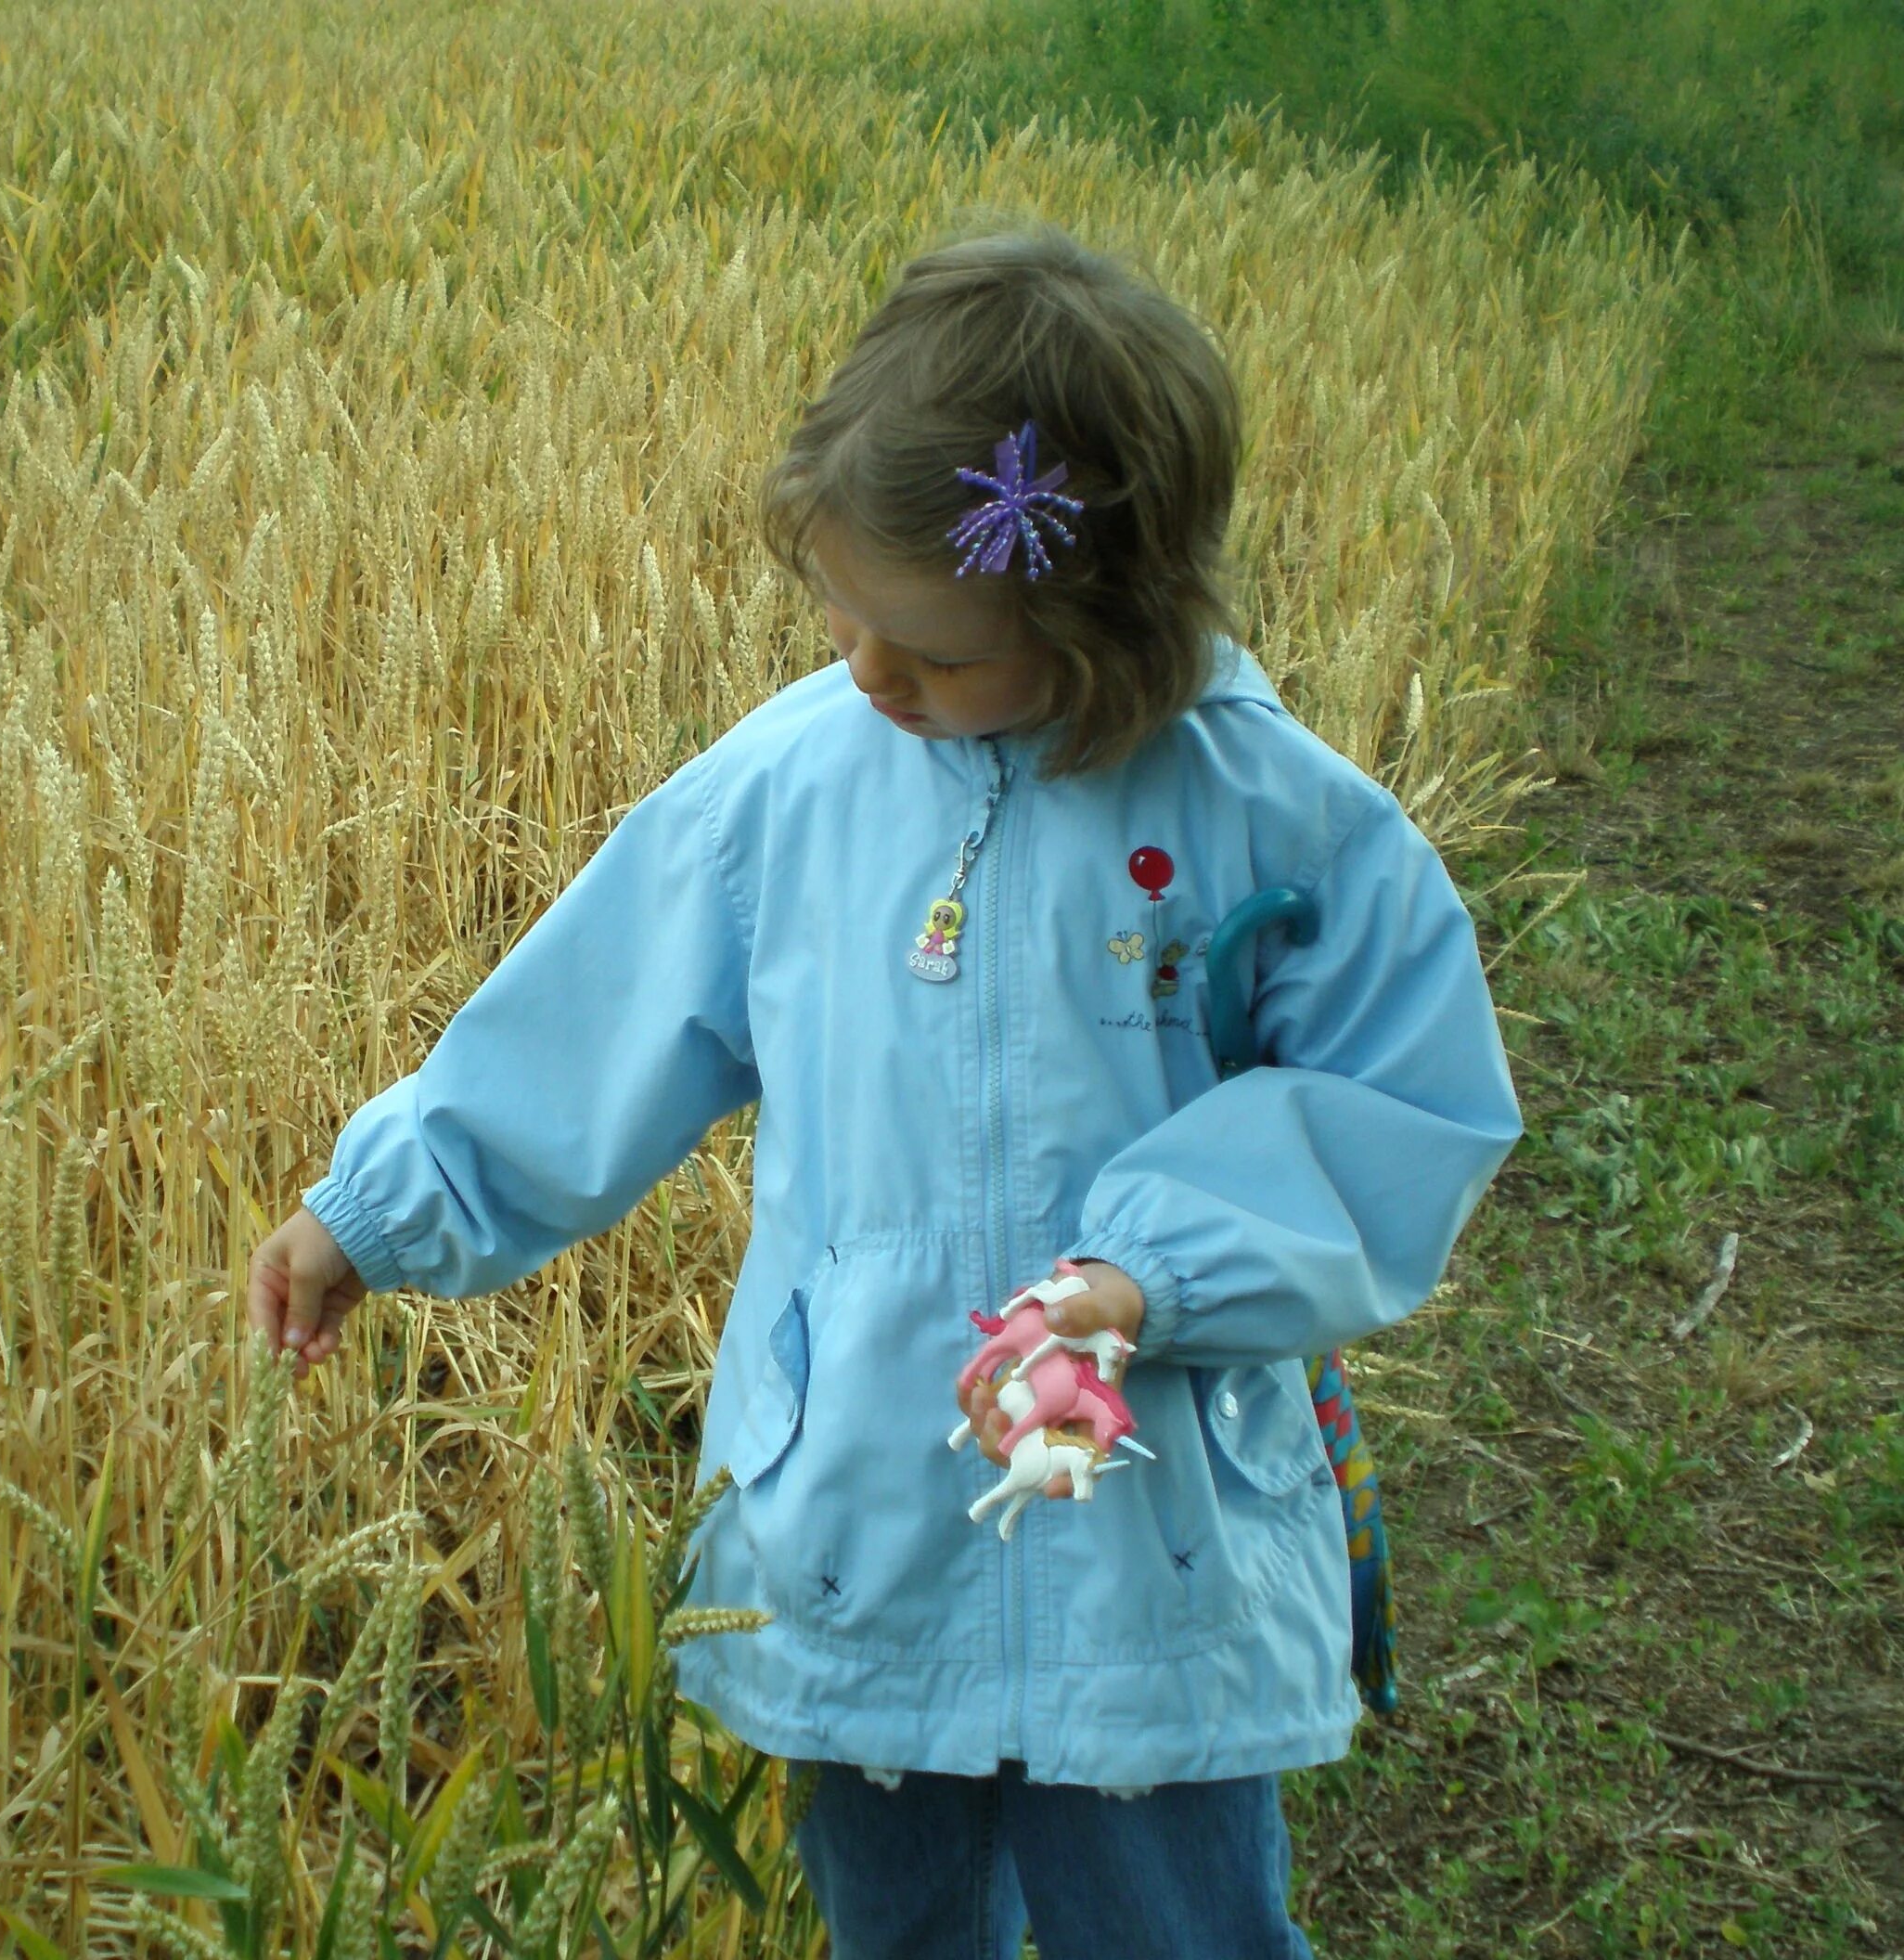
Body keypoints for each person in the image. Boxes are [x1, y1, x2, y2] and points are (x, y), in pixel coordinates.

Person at [246, 226, 1521, 1959]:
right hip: (869, 1500)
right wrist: (387, 1205)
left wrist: (1156, 1268)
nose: (871, 673)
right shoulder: (792, 791)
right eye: (846, 613)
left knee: (1177, 1928)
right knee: (896, 1924)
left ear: (1109, 620)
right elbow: (599, 1018)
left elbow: (1402, 1107)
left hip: (1157, 1527)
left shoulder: (1277, 823)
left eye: (929, 644)